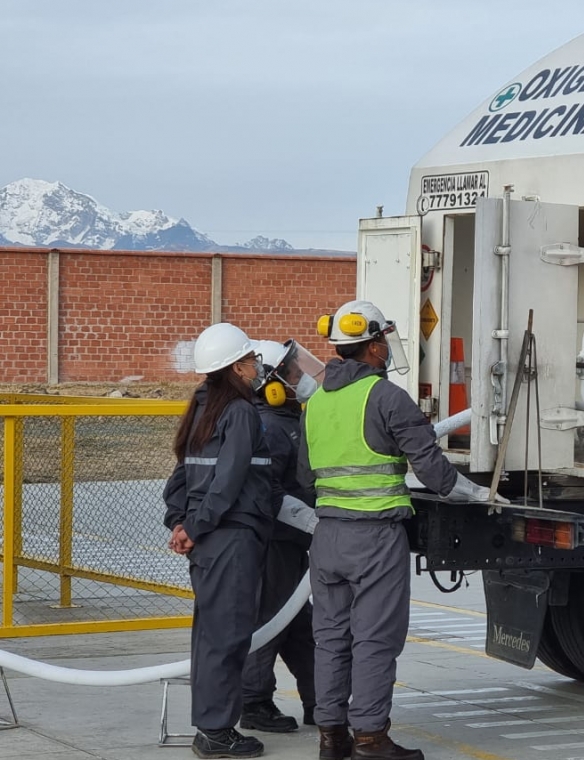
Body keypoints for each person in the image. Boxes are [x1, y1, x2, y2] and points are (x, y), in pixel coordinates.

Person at [299, 299, 501, 760]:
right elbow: (435, 476)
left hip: (327, 536)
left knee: (330, 639)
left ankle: (332, 738)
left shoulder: (315, 402)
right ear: (372, 346)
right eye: (382, 342)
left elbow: (306, 475)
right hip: (373, 538)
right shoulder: (387, 397)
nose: (386, 350)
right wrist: (481, 495)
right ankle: (370, 739)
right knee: (374, 639)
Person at [163, 322, 275, 760]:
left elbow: (180, 478)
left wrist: (181, 523)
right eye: (250, 360)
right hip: (231, 539)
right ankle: (215, 731)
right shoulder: (242, 412)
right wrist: (195, 525)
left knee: (211, 636)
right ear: (236, 367)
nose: (255, 367)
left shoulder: (201, 407)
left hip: (208, 541)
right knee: (227, 639)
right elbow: (228, 481)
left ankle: (211, 726)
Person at [239, 339, 325, 733]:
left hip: (290, 546)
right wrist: (314, 523)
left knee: (297, 624)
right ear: (269, 384)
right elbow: (271, 493)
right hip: (275, 543)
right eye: (291, 372)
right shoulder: (271, 427)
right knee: (271, 619)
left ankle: (320, 702)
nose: (301, 377)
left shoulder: (287, 419)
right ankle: (254, 703)